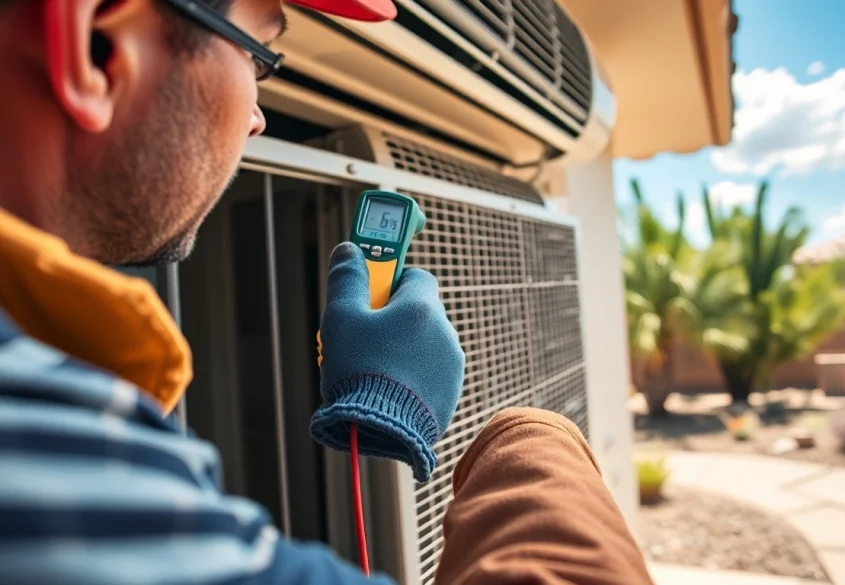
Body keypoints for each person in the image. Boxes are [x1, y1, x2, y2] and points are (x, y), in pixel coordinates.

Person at [0, 0, 654, 583]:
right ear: (94, 47)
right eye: (259, 58)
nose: (258, 118)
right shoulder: (40, 441)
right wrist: (531, 437)